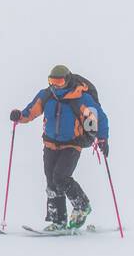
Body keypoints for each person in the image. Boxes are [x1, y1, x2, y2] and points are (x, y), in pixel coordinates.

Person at [9, 65, 109, 231]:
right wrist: (19, 116)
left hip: (72, 144)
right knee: (51, 181)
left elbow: (99, 118)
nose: (55, 85)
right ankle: (58, 221)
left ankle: (82, 206)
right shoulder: (47, 95)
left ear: (68, 80)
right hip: (50, 143)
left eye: (59, 81)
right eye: (52, 81)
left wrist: (103, 138)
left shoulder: (80, 98)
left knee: (61, 177)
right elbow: (30, 112)